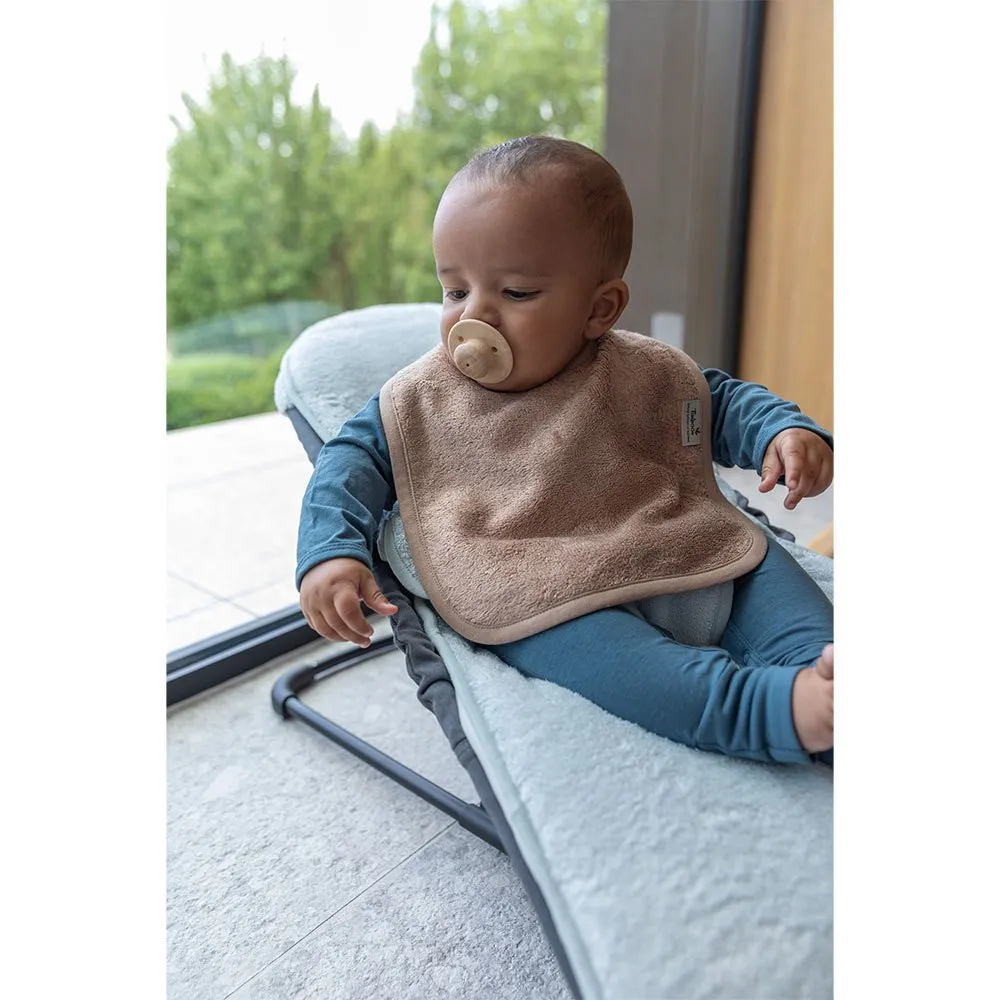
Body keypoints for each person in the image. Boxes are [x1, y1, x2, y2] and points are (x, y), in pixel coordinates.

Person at [296, 136, 834, 766]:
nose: (475, 317)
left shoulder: (639, 371)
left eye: (516, 293)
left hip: (675, 538)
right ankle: (767, 710)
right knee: (635, 672)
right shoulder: (421, 400)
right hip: (536, 580)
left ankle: (826, 672)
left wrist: (779, 431)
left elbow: (715, 400)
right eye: (455, 291)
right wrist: (330, 551)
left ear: (599, 309)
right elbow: (347, 463)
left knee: (774, 585)